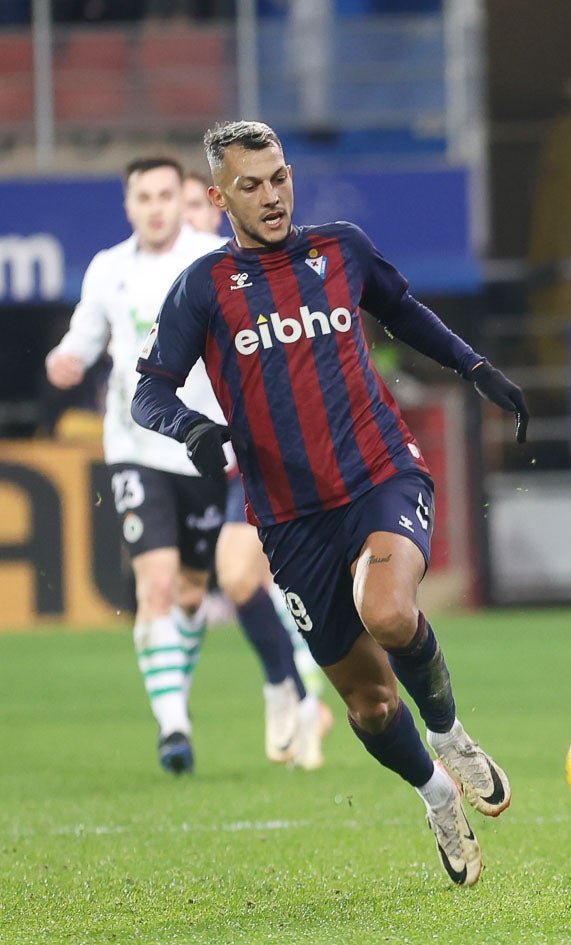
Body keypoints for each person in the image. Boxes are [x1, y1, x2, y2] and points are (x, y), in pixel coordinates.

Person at [132, 120, 530, 887]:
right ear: (218, 198)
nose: (272, 194)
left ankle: (450, 732)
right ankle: (436, 792)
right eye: (250, 184)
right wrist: (189, 428)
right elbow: (150, 387)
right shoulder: (203, 288)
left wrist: (475, 365)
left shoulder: (339, 248)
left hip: (379, 473)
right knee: (371, 707)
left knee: (387, 609)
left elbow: (402, 308)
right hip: (289, 518)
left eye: (279, 176)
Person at [46, 156, 227, 775]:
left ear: (184, 200)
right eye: (143, 197)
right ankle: (173, 724)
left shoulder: (215, 259)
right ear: (128, 206)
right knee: (153, 584)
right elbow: (84, 336)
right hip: (134, 445)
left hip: (203, 446)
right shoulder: (107, 269)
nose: (154, 206)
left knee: (190, 591)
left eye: (164, 195)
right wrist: (65, 359)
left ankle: (175, 689)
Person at [182, 168, 332, 768]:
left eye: (195, 202)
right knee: (236, 580)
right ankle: (293, 693)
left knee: (282, 583)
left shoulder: (248, 270)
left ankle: (313, 698)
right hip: (211, 451)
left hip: (281, 446)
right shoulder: (179, 284)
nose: (189, 214)